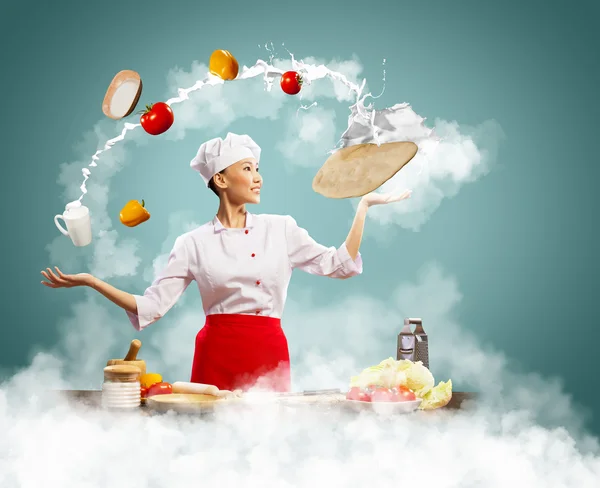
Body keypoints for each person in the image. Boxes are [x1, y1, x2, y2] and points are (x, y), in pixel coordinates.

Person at [41, 132, 411, 392]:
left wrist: (362, 209)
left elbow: (338, 264)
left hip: (268, 352)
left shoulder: (281, 229)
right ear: (220, 178)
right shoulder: (192, 243)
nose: (258, 177)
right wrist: (92, 281)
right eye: (247, 168)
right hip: (215, 356)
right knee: (211, 451)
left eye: (258, 169)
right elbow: (151, 306)